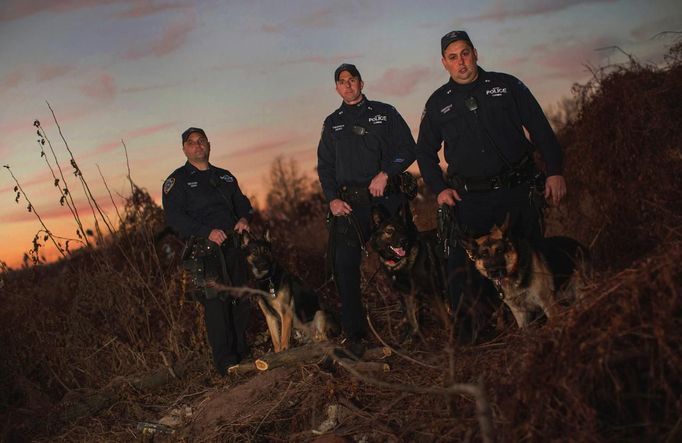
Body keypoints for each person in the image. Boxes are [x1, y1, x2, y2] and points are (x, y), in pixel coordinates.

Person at [416, 31, 567, 342]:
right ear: (444, 63)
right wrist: (439, 188)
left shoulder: (506, 85)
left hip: (516, 191)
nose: (461, 62)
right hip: (470, 199)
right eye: (453, 57)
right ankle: (472, 342)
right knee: (464, 269)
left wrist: (554, 171)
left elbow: (539, 127)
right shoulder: (437, 103)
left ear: (476, 53)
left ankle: (539, 335)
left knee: (528, 262)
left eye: (465, 53)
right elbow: (424, 153)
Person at [317, 63, 416, 355]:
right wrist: (332, 199)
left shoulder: (385, 113)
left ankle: (414, 323)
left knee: (405, 260)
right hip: (350, 205)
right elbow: (325, 166)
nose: (348, 85)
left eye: (352, 80)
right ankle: (355, 335)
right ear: (337, 88)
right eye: (342, 82)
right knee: (344, 265)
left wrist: (386, 173)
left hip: (386, 200)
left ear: (362, 82)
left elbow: (409, 148)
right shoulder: (332, 123)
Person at [162, 127, 253, 375]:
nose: (197, 145)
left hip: (234, 246)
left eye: (201, 141)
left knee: (241, 300)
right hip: (206, 251)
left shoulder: (225, 177)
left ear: (209, 145)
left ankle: (243, 355)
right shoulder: (177, 181)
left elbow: (242, 203)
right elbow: (174, 218)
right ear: (184, 149)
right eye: (191, 142)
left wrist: (244, 218)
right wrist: (206, 231)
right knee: (217, 305)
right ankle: (226, 363)